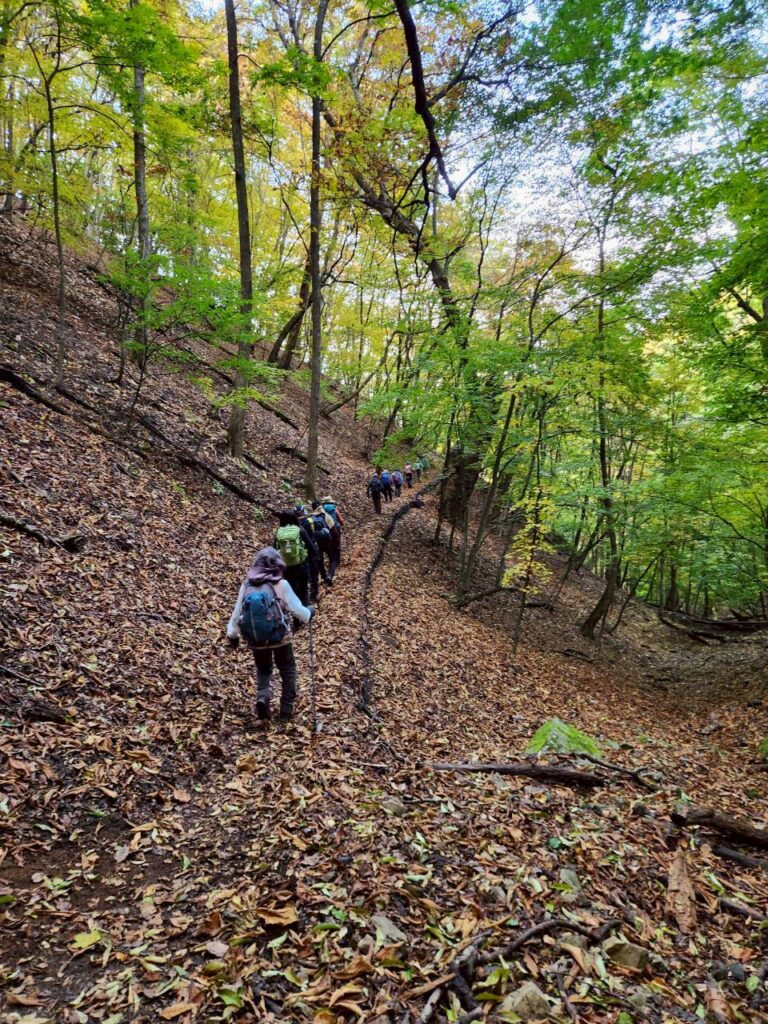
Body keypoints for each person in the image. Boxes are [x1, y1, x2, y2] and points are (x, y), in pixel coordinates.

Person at [227, 547, 313, 721]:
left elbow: (237, 615)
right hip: (280, 637)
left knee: (264, 670)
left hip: (257, 639)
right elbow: (300, 613)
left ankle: (263, 697)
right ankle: (286, 710)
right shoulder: (281, 584)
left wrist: (232, 635)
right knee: (288, 670)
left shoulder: (247, 585)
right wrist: (310, 612)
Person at [274, 509, 315, 606]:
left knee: (292, 593)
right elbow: (311, 547)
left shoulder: (278, 533)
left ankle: (296, 619)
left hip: (287, 568)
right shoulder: (299, 529)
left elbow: (274, 550)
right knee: (303, 591)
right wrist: (310, 559)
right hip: (301, 565)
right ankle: (306, 615)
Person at [297, 503, 331, 595]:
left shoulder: (294, 525)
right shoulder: (309, 521)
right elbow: (320, 525)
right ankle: (314, 591)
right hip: (312, 549)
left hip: (300, 552)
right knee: (314, 571)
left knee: (305, 572)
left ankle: (305, 592)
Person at [320, 496, 344, 578]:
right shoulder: (335, 509)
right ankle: (337, 561)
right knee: (337, 544)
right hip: (335, 529)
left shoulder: (321, 510)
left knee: (329, 546)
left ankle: (331, 562)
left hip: (325, 531)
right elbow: (341, 520)